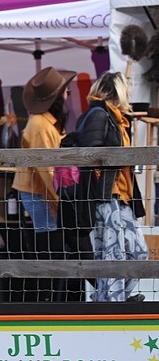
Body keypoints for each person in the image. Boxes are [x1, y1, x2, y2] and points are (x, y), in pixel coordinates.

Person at [72, 71, 147, 302]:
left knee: (138, 253)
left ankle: (109, 300)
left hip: (120, 196)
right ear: (119, 91)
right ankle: (110, 305)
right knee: (113, 254)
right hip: (107, 196)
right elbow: (88, 155)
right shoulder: (100, 115)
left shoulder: (116, 118)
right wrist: (100, 190)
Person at [9, 66, 76, 301]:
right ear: (59, 96)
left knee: (49, 243)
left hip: (40, 191)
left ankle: (48, 295)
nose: (69, 94)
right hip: (40, 193)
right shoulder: (40, 124)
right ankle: (47, 297)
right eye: (66, 91)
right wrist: (60, 201)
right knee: (49, 244)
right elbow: (46, 170)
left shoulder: (44, 122)